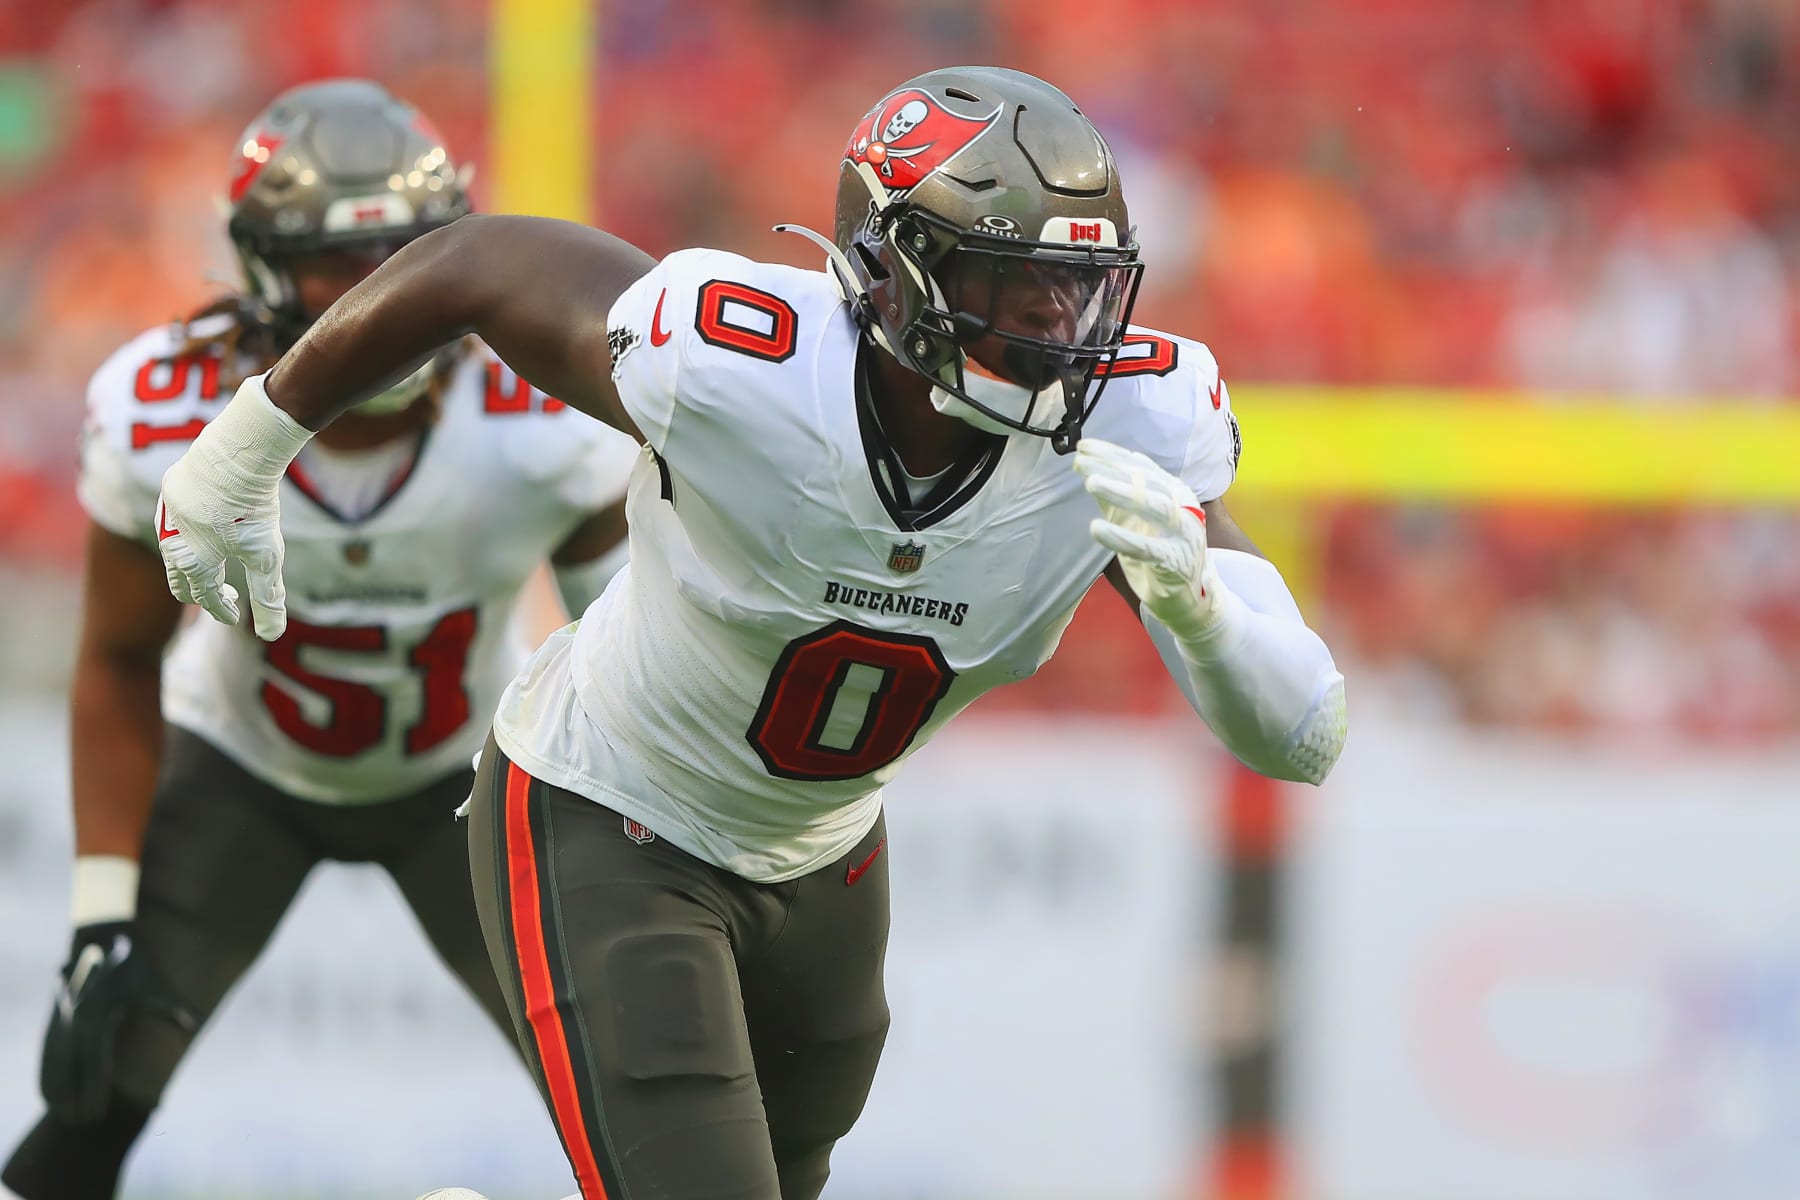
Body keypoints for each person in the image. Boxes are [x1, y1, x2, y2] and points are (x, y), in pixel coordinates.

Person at [151, 66, 1347, 1200]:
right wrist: (249, 443)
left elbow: (1304, 733)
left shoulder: (1131, 426)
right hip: (614, 812)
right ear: (896, 272)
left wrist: (1198, 614)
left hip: (825, 861)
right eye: (1010, 281)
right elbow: (480, 260)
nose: (1056, 321)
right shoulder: (742, 362)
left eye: (1079, 285)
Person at [2, 80, 638, 1200]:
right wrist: (101, 915)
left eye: (402, 260)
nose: (374, 302)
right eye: (331, 269)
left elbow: (627, 657)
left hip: (468, 779)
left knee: (639, 1088)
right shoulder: (163, 409)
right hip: (244, 767)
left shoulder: (541, 416)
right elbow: (116, 660)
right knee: (94, 1092)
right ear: (258, 268)